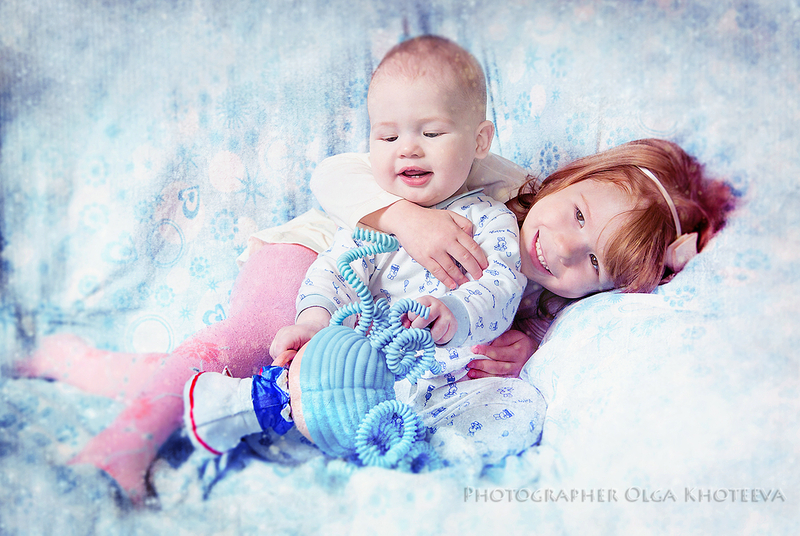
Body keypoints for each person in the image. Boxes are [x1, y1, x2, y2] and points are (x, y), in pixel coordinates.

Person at [185, 35, 545, 464]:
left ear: (480, 141)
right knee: (312, 381)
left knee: (523, 407)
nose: (408, 148)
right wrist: (314, 322)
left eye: (431, 132)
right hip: (361, 379)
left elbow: (502, 286)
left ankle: (424, 458)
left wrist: (455, 312)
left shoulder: (491, 219)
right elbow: (334, 271)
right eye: (388, 136)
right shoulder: (377, 216)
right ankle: (252, 406)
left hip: (451, 384)